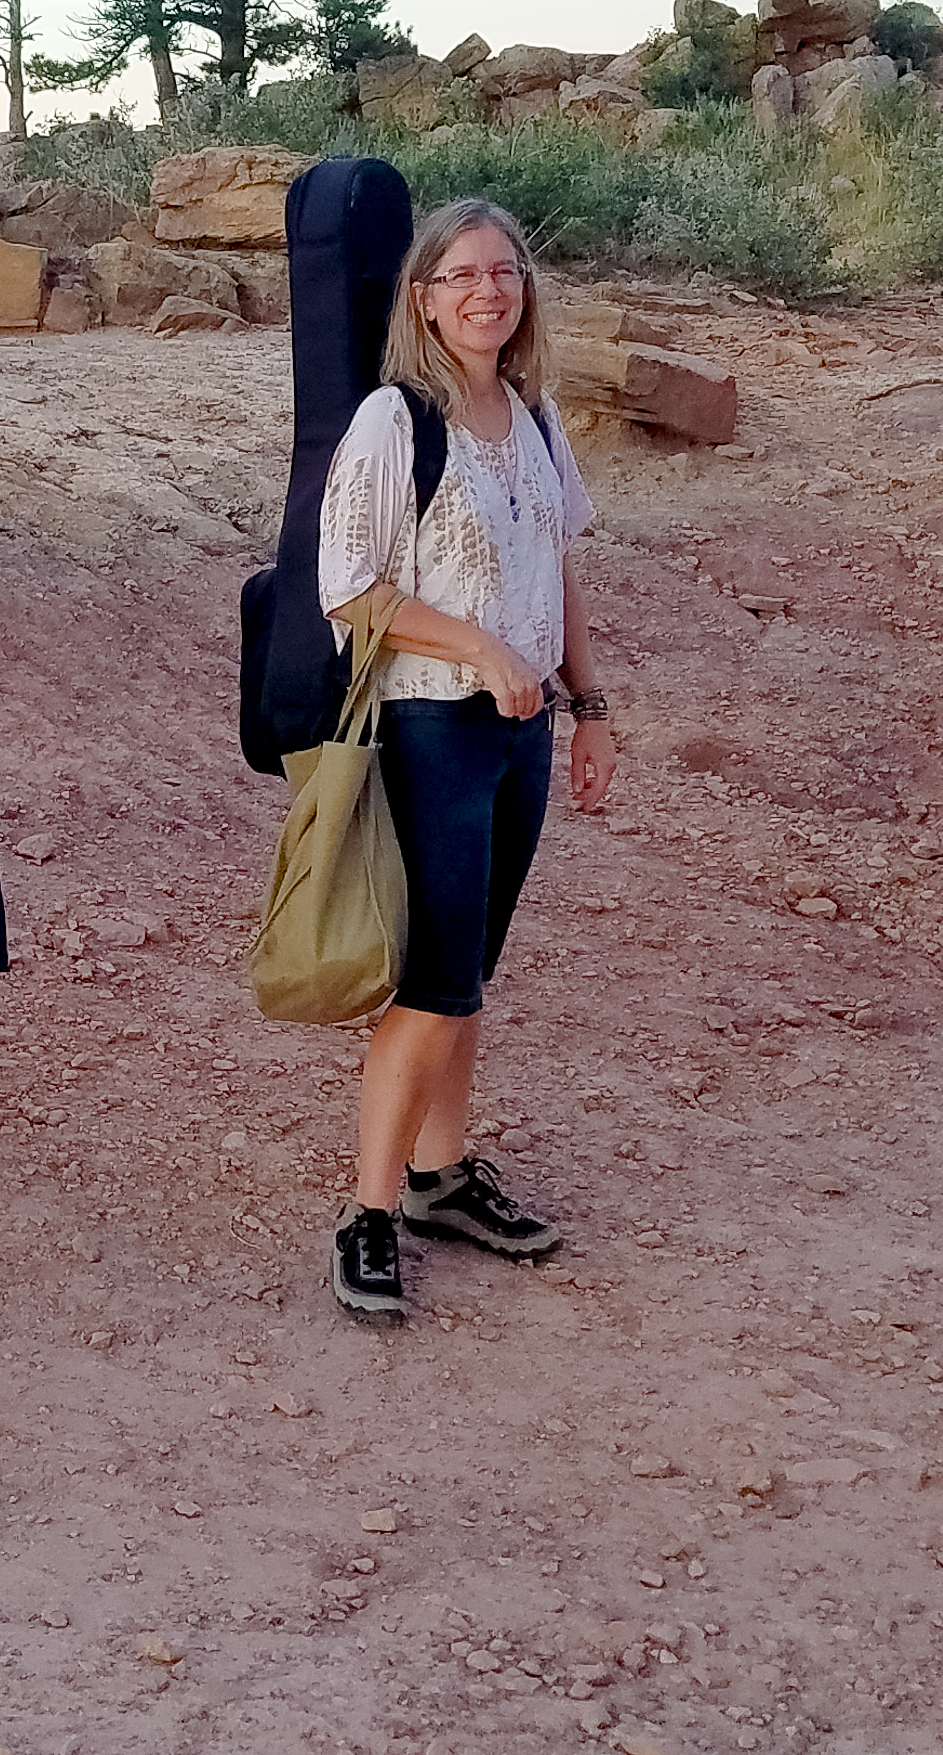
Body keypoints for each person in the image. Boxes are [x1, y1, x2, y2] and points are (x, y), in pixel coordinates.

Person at [310, 197, 620, 1324]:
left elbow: (560, 566)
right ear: (422, 300)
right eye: (462, 277)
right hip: (433, 726)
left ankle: (441, 1180)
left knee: (467, 972)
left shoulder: (531, 417)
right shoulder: (397, 423)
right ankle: (371, 1213)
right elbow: (346, 588)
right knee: (436, 981)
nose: (489, 292)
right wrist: (478, 644)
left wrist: (591, 705)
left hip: (522, 730)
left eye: (506, 273)